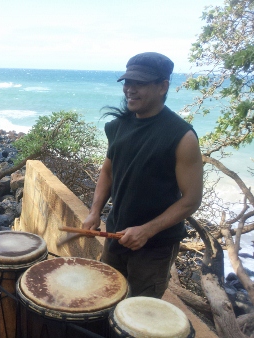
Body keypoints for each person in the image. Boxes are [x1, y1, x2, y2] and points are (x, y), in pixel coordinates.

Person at [83, 52, 203, 298]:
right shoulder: (118, 126)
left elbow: (191, 199)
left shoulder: (181, 136)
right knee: (104, 298)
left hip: (154, 246)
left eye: (140, 83)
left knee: (139, 314)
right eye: (128, 82)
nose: (130, 89)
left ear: (163, 86)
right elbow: (108, 170)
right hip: (115, 235)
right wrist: (95, 211)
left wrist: (147, 230)